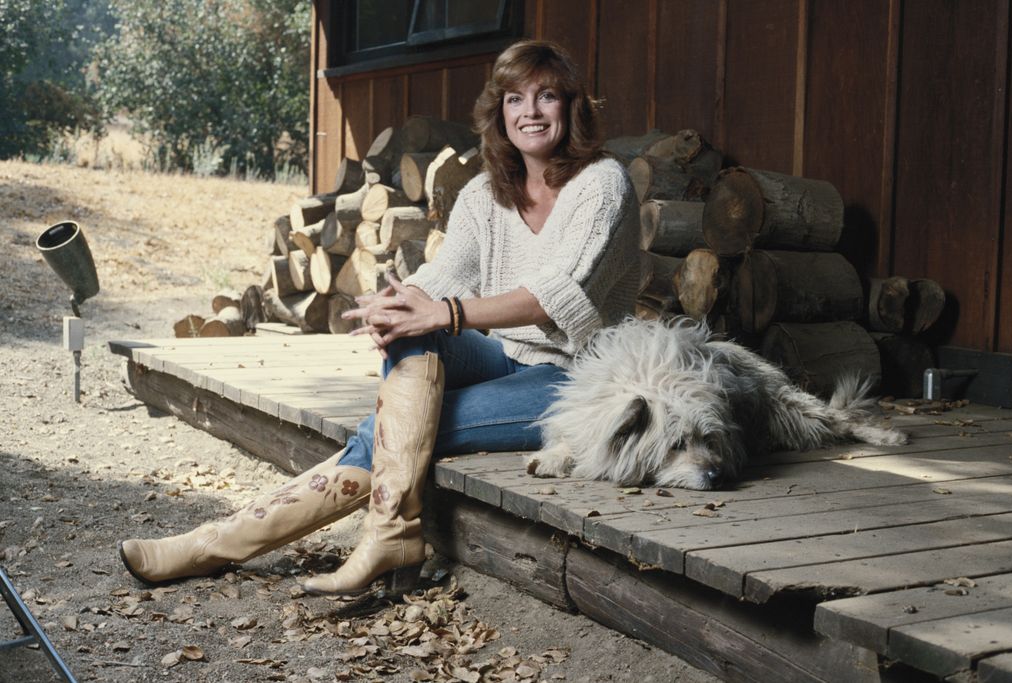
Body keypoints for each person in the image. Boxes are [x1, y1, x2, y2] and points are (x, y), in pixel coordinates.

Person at [118, 39, 641, 595]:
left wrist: (444, 312)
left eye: (546, 97)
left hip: (575, 378)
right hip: (502, 356)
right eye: (515, 98)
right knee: (409, 335)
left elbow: (552, 297)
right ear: (499, 112)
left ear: (571, 106)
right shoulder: (487, 194)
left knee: (397, 429)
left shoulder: (602, 184)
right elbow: (443, 277)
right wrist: (397, 304)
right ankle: (386, 536)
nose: (530, 112)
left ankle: (217, 543)